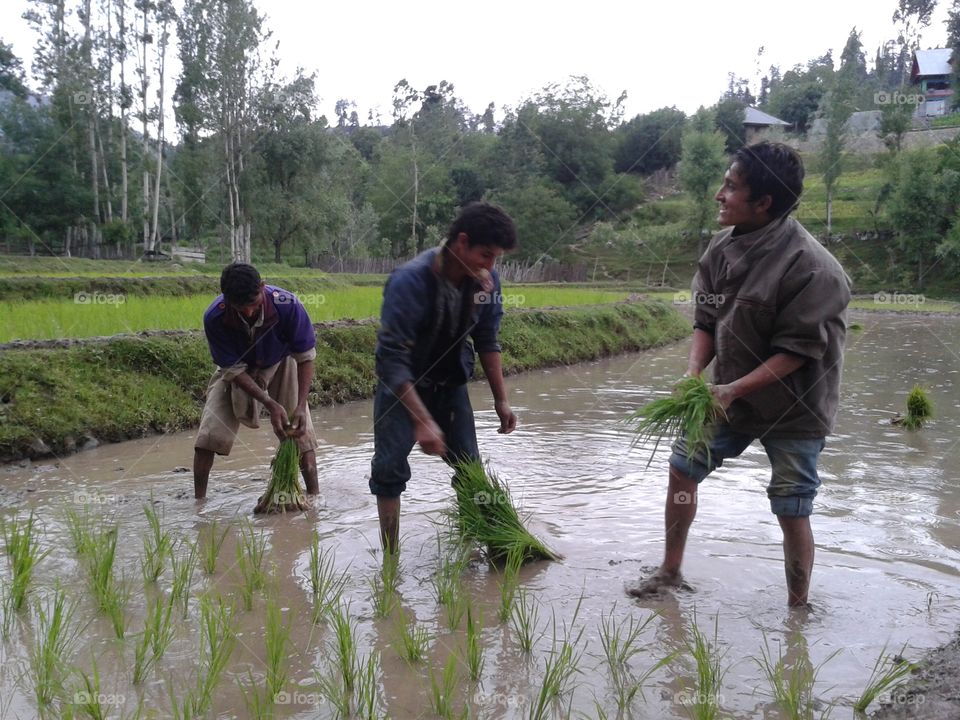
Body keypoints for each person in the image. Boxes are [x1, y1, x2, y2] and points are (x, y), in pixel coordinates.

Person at [628, 141, 851, 607]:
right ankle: (670, 571)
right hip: (726, 396)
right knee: (682, 469)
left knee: (791, 504)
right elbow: (706, 319)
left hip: (795, 406)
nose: (719, 195)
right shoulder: (720, 249)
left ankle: (798, 607)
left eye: (731, 186)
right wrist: (694, 373)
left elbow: (797, 351)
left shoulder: (814, 269)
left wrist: (733, 389)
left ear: (764, 203)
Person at [370, 202, 519, 553]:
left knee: (469, 468)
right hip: (401, 387)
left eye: (496, 258)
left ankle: (482, 547)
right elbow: (391, 359)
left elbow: (487, 340)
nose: (491, 267)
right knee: (389, 471)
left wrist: (501, 399)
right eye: (486, 255)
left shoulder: (486, 282)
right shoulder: (410, 281)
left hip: (450, 385)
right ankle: (390, 560)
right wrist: (421, 420)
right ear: (462, 243)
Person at [193, 262, 319, 501]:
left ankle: (314, 498)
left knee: (298, 429)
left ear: (262, 287)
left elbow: (305, 357)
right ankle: (199, 503)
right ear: (227, 299)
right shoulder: (215, 316)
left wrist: (301, 405)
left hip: (281, 361)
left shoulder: (288, 305)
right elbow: (231, 369)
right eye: (240, 308)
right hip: (237, 370)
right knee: (208, 434)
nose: (249, 312)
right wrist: (270, 404)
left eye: (253, 304)